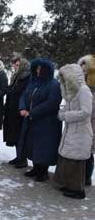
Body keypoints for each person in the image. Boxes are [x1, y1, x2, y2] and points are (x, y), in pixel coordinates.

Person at [53, 64, 93, 199]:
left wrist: (66, 116)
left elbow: (86, 112)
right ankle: (69, 185)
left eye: (66, 78)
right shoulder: (71, 92)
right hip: (71, 130)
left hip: (81, 132)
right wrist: (62, 112)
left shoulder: (83, 90)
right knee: (68, 158)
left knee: (76, 161)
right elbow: (68, 107)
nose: (64, 81)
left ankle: (78, 191)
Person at [19, 58, 62, 182]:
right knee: (33, 145)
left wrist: (32, 112)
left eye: (40, 69)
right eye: (36, 68)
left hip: (47, 122)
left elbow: (52, 103)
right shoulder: (34, 82)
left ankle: (43, 171)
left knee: (44, 146)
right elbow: (24, 95)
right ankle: (36, 168)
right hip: (32, 120)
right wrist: (22, 107)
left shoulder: (54, 85)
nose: (38, 71)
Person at [3, 57, 30, 168]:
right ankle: (18, 156)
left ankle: (22, 159)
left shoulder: (28, 77)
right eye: (15, 64)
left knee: (20, 135)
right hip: (12, 109)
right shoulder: (16, 77)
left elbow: (26, 94)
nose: (15, 67)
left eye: (18, 65)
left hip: (20, 111)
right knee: (14, 134)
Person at [78, 54, 95, 186]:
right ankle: (81, 177)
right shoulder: (83, 87)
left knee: (88, 151)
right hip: (81, 123)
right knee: (82, 150)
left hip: (91, 124)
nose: (83, 73)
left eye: (85, 71)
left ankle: (86, 178)